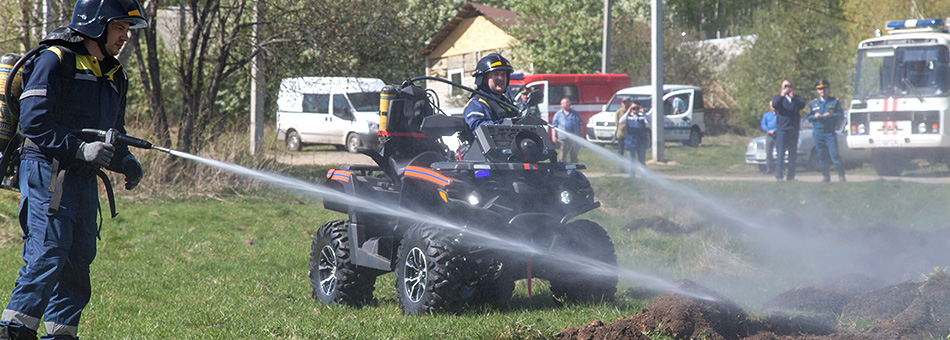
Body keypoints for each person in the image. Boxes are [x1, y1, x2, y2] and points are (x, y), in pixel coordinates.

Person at [0, 0, 147, 339]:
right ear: (97, 23)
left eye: (127, 29)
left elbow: (114, 131)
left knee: (78, 259)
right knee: (48, 254)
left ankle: (61, 334)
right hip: (47, 171)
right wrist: (80, 149)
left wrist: (125, 160)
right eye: (120, 27)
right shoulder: (55, 59)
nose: (125, 36)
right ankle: (13, 331)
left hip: (83, 177)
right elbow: (35, 122)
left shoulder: (114, 73)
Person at [463, 53, 517, 140]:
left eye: (503, 75)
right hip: (484, 153)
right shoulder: (477, 104)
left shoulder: (506, 104)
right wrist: (508, 124)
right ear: (483, 79)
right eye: (495, 74)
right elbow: (480, 129)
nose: (501, 78)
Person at [807, 79, 846, 182]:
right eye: (820, 89)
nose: (822, 91)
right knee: (821, 155)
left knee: (834, 155)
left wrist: (831, 115)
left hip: (829, 132)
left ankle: (841, 176)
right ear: (817, 91)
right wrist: (815, 116)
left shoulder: (834, 102)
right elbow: (809, 117)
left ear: (828, 89)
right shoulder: (814, 104)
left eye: (824, 88)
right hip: (818, 132)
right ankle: (826, 176)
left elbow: (840, 115)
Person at [771, 79, 806, 181]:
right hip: (782, 129)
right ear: (782, 87)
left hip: (793, 130)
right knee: (781, 153)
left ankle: (791, 176)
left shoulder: (795, 99)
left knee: (792, 154)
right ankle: (779, 175)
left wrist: (793, 97)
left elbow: (802, 105)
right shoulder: (779, 98)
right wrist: (782, 95)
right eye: (785, 86)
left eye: (789, 86)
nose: (788, 88)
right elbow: (775, 104)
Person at [622, 102, 651, 177]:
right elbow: (621, 121)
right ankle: (632, 176)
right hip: (631, 141)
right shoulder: (628, 116)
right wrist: (628, 111)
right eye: (633, 108)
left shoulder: (642, 116)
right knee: (631, 160)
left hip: (641, 142)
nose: (635, 109)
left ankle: (643, 176)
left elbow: (650, 121)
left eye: (636, 107)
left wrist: (644, 113)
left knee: (641, 160)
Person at [551, 97, 583, 163]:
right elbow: (554, 126)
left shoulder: (575, 114)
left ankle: (574, 169)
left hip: (574, 138)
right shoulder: (558, 114)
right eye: (566, 103)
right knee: (563, 156)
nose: (568, 104)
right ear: (561, 104)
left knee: (574, 155)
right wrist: (554, 137)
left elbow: (580, 124)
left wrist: (581, 134)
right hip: (563, 139)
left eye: (569, 102)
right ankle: (562, 170)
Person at [759, 100, 777, 174]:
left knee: (779, 152)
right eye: (771, 106)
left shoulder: (780, 115)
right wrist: (768, 130)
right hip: (769, 135)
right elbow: (763, 124)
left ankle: (779, 169)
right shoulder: (766, 115)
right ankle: (769, 168)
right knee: (768, 152)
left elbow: (781, 124)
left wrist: (775, 130)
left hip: (777, 134)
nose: (773, 107)